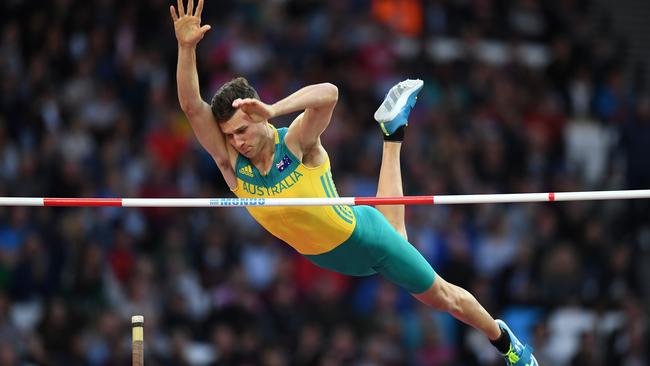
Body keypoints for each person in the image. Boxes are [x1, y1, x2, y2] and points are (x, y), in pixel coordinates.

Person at [170, 1, 538, 364]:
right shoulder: (232, 165)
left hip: (364, 237)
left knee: (443, 297)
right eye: (230, 136)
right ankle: (392, 134)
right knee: (400, 232)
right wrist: (187, 49)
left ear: (257, 115)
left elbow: (329, 94)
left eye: (242, 131)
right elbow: (191, 107)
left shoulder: (295, 142)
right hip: (335, 258)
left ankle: (507, 344)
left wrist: (274, 109)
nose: (237, 142)